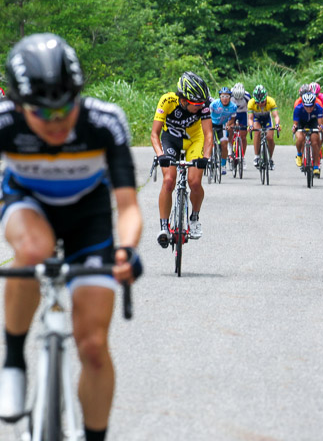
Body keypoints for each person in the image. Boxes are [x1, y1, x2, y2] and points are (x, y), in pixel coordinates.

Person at [0, 33, 143, 441]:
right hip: (27, 203)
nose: (57, 121)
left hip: (89, 218)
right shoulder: (4, 122)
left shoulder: (103, 121)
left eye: (66, 107)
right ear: (17, 104)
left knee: (94, 347)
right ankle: (13, 359)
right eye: (43, 113)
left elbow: (129, 207)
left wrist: (127, 249)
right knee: (34, 249)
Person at [151, 71, 212, 244]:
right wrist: (160, 155)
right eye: (196, 104)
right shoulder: (167, 101)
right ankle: (164, 227)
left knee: (194, 182)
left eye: (202, 103)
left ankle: (194, 218)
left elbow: (208, 136)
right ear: (184, 100)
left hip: (194, 140)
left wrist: (205, 158)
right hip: (170, 139)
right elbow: (154, 134)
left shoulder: (204, 105)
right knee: (169, 180)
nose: (200, 106)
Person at [248, 85, 281, 170]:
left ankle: (270, 158)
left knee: (270, 137)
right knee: (257, 132)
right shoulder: (251, 103)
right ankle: (257, 156)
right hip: (257, 119)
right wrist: (251, 126)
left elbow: (276, 116)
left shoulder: (271, 101)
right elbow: (250, 118)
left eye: (262, 102)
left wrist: (277, 125)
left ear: (266, 98)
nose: (260, 104)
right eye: (258, 102)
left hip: (267, 119)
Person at [292, 92, 323, 175]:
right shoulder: (298, 109)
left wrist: (321, 127)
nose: (309, 109)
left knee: (314, 142)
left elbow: (320, 124)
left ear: (314, 103)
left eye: (311, 106)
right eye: (306, 106)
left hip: (313, 123)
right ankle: (299, 154)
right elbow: (295, 124)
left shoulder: (318, 108)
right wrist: (294, 128)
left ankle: (316, 166)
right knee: (300, 138)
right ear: (303, 104)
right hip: (301, 123)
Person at [209, 87, 237, 175]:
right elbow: (207, 116)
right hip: (211, 123)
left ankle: (223, 165)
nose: (224, 98)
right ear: (220, 97)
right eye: (222, 96)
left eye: (227, 96)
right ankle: (209, 157)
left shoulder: (233, 107)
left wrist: (229, 125)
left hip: (222, 125)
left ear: (230, 97)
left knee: (224, 144)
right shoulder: (214, 104)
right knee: (209, 141)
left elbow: (232, 119)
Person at [229, 82, 251, 169]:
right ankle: (230, 150)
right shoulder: (230, 96)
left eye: (240, 98)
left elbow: (251, 110)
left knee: (243, 136)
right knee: (230, 130)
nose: (238, 100)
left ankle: (242, 157)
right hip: (232, 113)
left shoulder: (247, 97)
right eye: (236, 98)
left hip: (242, 114)